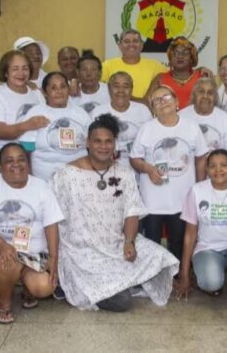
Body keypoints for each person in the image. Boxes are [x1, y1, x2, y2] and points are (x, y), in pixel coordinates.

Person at [51, 114, 180, 312]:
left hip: (116, 244)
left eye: (108, 141)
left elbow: (132, 211)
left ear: (115, 144)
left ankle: (120, 280)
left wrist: (129, 241)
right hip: (82, 252)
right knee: (122, 302)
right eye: (97, 141)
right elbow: (52, 218)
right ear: (87, 143)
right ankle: (108, 284)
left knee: (162, 258)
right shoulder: (66, 175)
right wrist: (55, 255)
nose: (103, 146)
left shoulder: (125, 173)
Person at [0, 143, 62, 324]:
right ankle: (4, 302)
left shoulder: (41, 186)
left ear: (28, 163)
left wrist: (53, 258)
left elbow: (51, 224)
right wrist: (2, 245)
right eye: (9, 161)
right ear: (0, 165)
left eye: (21, 160)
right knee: (8, 263)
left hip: (34, 250)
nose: (16, 165)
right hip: (0, 247)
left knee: (44, 287)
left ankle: (28, 289)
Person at [130, 85, 209, 260]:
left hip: (182, 199)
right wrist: (149, 169)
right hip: (153, 201)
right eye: (156, 100)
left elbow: (201, 157)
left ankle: (179, 277)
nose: (162, 102)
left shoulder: (191, 127)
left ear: (177, 102)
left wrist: (200, 186)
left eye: (165, 97)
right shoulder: (147, 128)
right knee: (151, 244)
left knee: (179, 244)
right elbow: (134, 159)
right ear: (153, 109)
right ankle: (152, 279)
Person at [175, 150, 227, 309]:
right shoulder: (196, 190)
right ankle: (213, 278)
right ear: (206, 170)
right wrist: (184, 274)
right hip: (208, 247)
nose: (218, 170)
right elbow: (190, 233)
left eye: (224, 165)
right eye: (212, 166)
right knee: (211, 284)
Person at [19, 72, 92, 181]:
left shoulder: (81, 113)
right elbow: (26, 149)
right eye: (53, 88)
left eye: (63, 87)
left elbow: (92, 144)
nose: (59, 91)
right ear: (45, 92)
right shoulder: (36, 112)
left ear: (68, 89)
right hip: (44, 178)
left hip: (78, 178)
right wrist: (29, 178)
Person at [0, 50, 48, 154]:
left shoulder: (36, 93)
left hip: (38, 155)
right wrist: (27, 125)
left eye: (25, 68)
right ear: (6, 72)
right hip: (10, 156)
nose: (21, 73)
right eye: (15, 69)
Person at [91, 71, 152, 172]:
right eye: (116, 86)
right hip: (106, 169)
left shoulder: (143, 110)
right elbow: (92, 144)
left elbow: (150, 142)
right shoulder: (98, 111)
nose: (121, 90)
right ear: (109, 89)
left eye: (126, 86)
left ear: (131, 89)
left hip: (138, 170)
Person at [101, 29, 166, 103]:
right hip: (116, 111)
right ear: (120, 46)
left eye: (135, 41)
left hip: (146, 112)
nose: (131, 44)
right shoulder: (107, 66)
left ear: (141, 45)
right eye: (126, 41)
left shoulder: (156, 66)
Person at [179, 78, 227, 157]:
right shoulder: (181, 116)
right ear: (194, 94)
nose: (205, 96)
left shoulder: (224, 118)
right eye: (201, 92)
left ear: (215, 97)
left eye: (210, 93)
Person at [146, 36, 205, 109]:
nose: (180, 56)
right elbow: (148, 103)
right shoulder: (160, 79)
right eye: (175, 53)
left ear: (191, 58)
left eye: (185, 53)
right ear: (170, 59)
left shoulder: (202, 76)